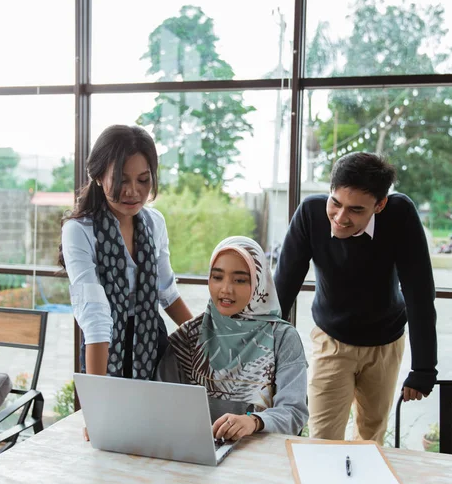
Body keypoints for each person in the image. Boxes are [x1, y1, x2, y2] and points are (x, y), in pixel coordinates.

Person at [274, 152, 437, 444]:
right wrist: (264, 357)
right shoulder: (311, 214)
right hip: (332, 340)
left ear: (380, 205)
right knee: (322, 439)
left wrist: (424, 368)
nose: (340, 217)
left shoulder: (400, 215)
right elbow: (283, 288)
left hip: (385, 343)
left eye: (356, 210)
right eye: (335, 203)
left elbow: (420, 293)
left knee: (370, 439)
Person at [60, 124, 192, 380]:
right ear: (99, 176)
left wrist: (205, 340)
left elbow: (167, 292)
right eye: (121, 180)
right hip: (103, 348)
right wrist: (99, 401)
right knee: (107, 419)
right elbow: (95, 316)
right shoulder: (79, 230)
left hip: (152, 344)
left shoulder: (154, 223)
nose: (133, 191)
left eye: (143, 180)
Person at [157, 236, 308, 440]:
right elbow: (160, 404)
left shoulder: (282, 338)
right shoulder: (188, 337)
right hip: (195, 455)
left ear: (258, 282)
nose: (226, 289)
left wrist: (254, 421)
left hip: (261, 456)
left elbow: (294, 412)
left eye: (239, 280)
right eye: (217, 277)